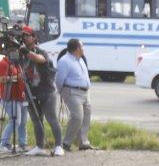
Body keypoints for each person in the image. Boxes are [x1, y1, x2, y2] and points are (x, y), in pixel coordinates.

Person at [19, 27, 64, 156]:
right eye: (23, 36)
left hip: (47, 91)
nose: (24, 38)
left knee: (52, 119)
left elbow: (40, 59)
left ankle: (59, 146)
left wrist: (25, 51)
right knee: (36, 120)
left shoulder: (40, 51)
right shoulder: (21, 54)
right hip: (31, 92)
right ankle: (39, 146)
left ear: (34, 37)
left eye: (27, 35)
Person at [55, 38, 93, 151]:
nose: (83, 48)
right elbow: (59, 79)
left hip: (85, 92)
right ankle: (66, 143)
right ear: (77, 48)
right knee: (77, 117)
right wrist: (62, 92)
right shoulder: (64, 61)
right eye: (82, 46)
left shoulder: (80, 59)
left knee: (86, 117)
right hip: (72, 92)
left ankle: (83, 142)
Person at [0, 51, 28, 154]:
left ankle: (22, 144)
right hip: (9, 97)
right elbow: (1, 79)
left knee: (23, 122)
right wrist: (17, 78)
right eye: (15, 51)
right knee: (15, 121)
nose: (17, 53)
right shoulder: (3, 64)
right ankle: (4, 143)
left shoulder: (15, 64)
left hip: (19, 96)